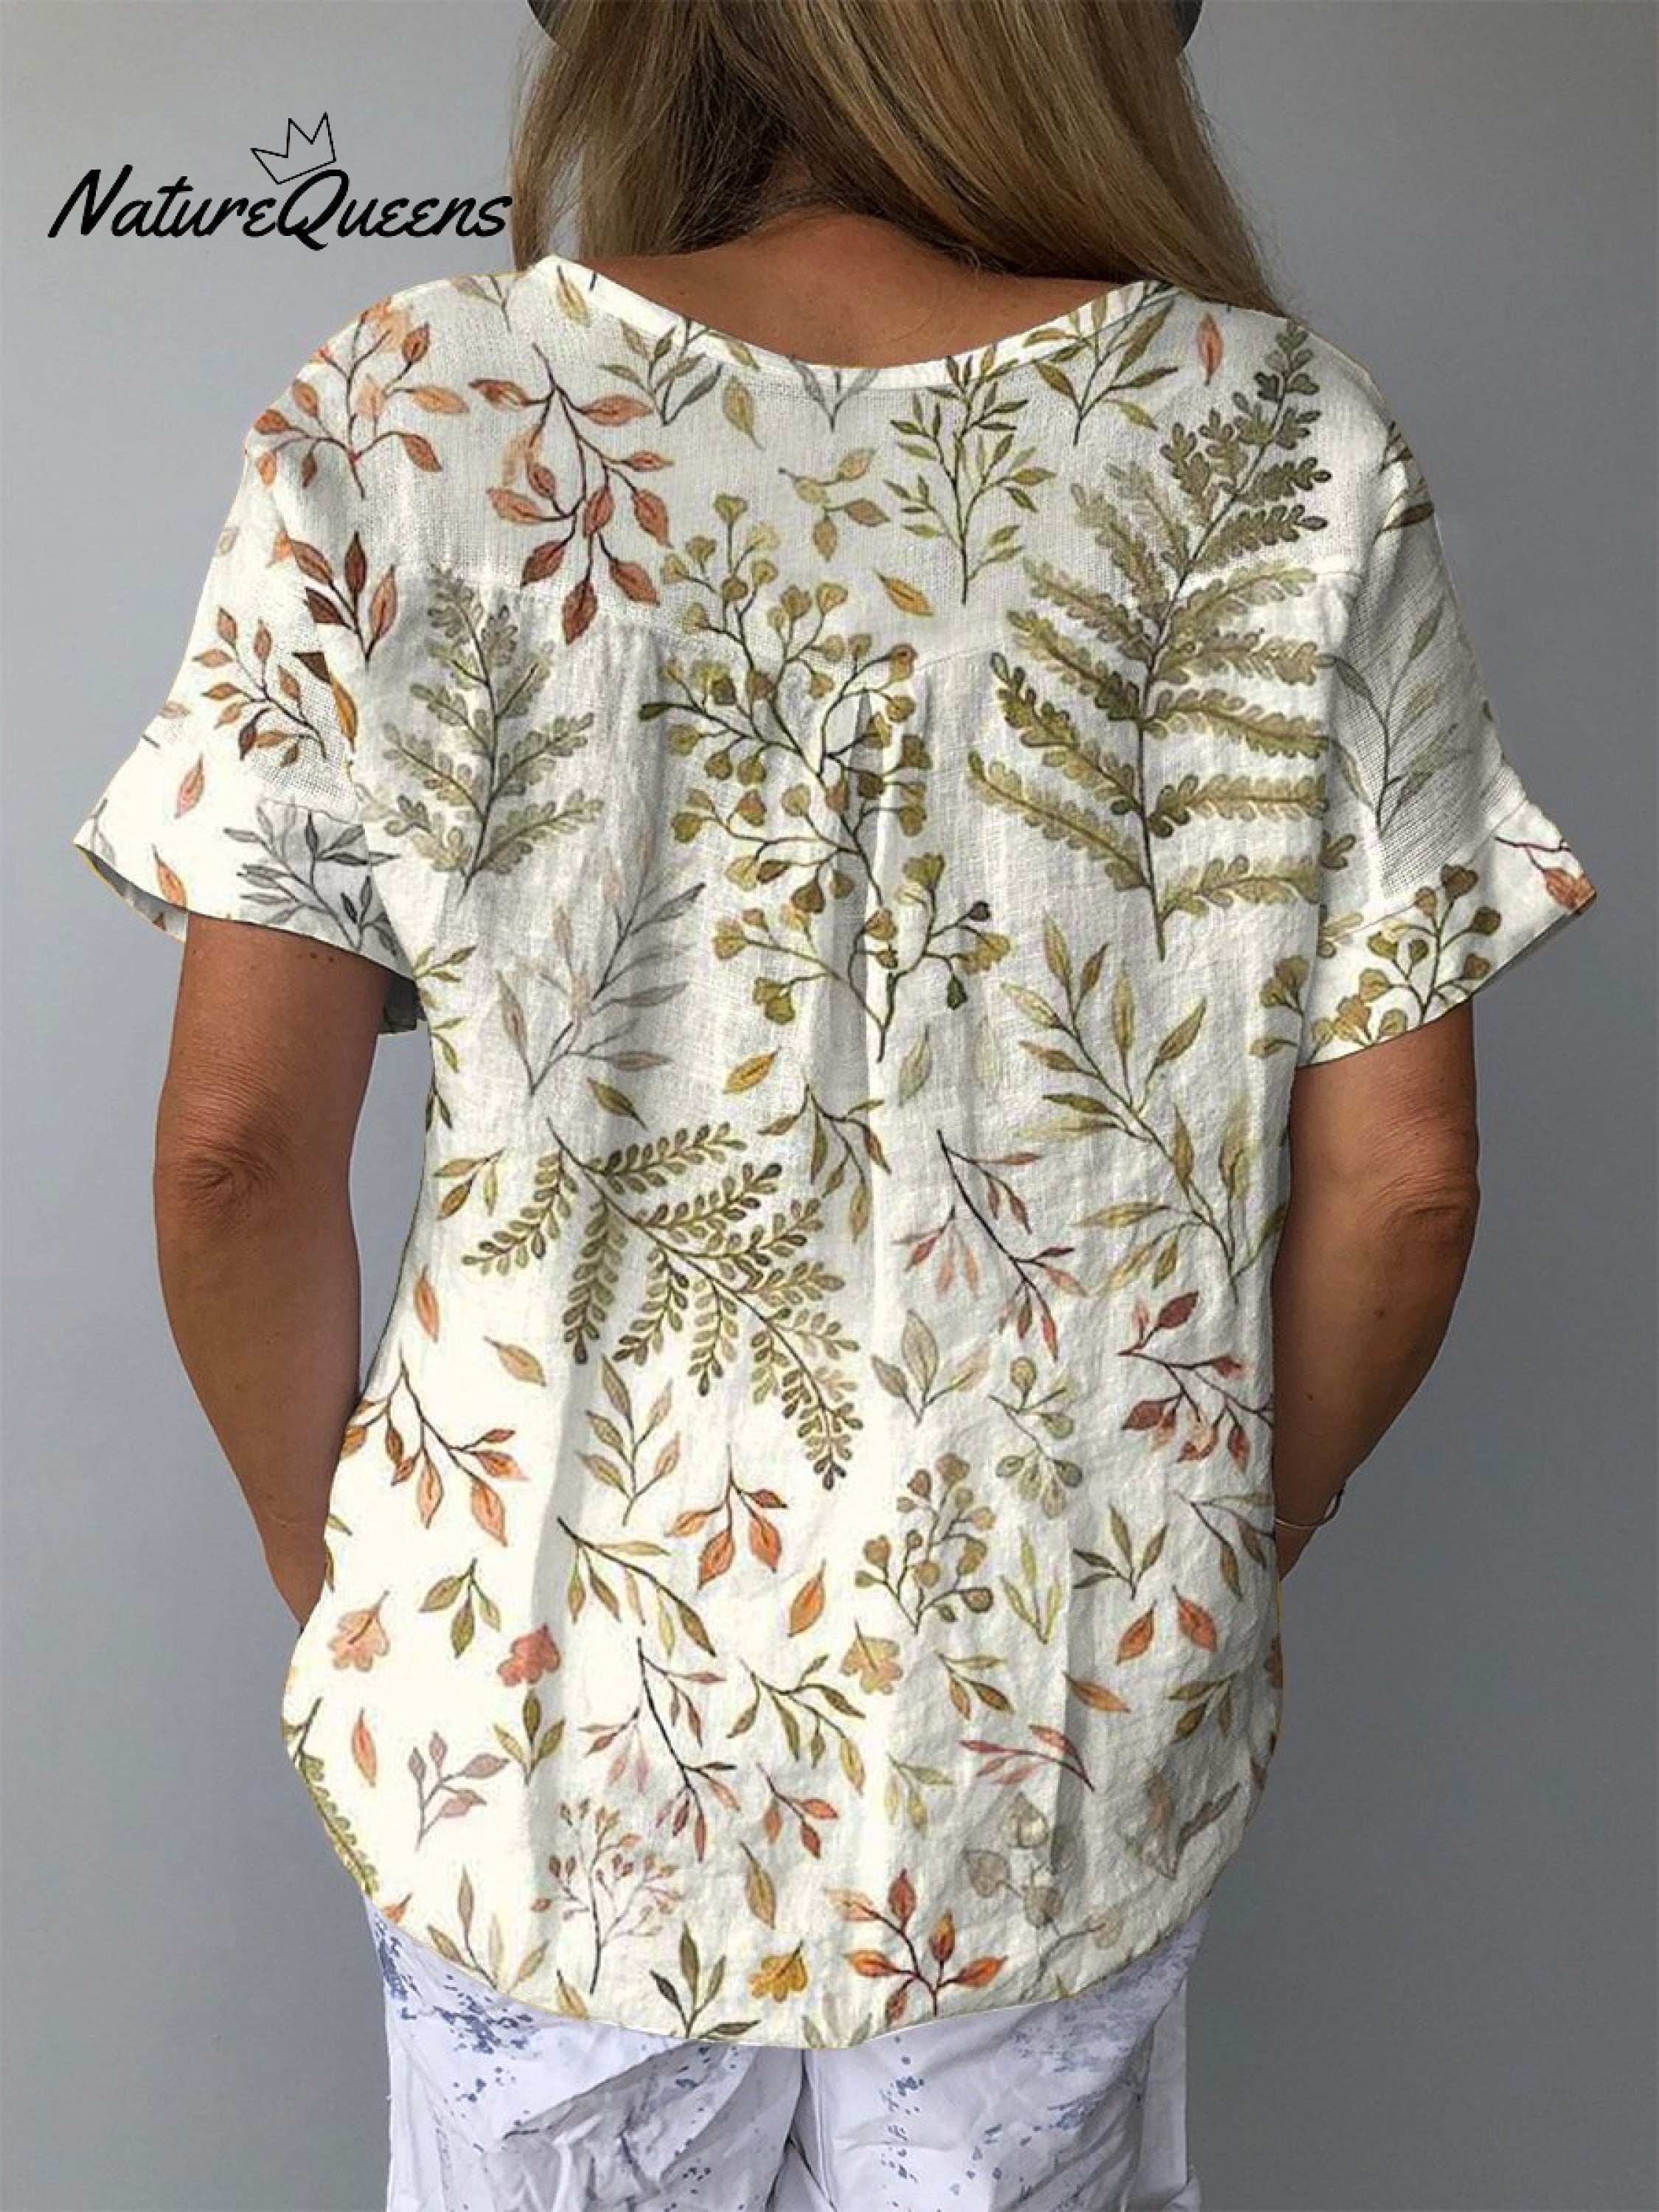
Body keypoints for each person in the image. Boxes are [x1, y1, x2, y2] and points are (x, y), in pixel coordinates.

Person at [66, 1, 1600, 2205]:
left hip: (529, 1726)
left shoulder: (410, 408)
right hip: (1048, 1727)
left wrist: (363, 1590)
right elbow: (1409, 1188)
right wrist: (1216, 1550)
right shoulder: (1284, 435)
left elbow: (234, 1156)